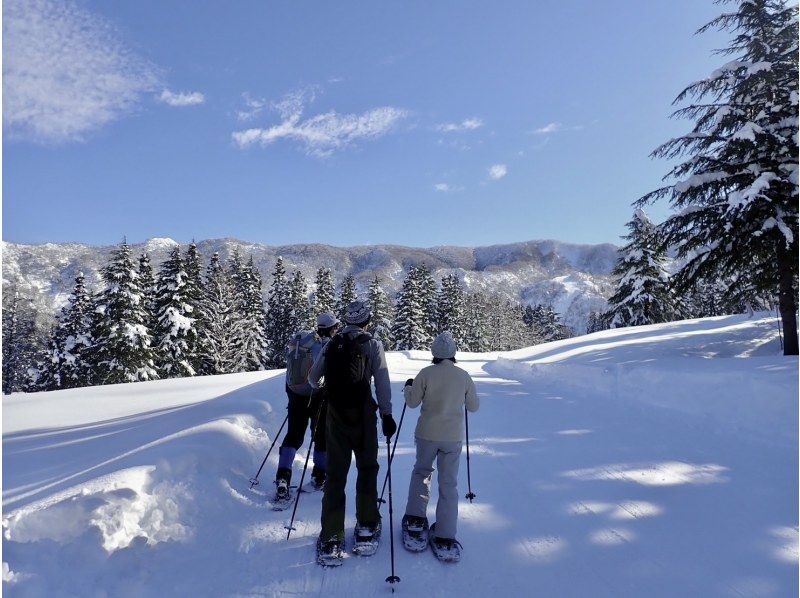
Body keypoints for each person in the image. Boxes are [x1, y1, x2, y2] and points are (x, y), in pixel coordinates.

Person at [308, 300, 396, 563]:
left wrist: (328, 385)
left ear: (345, 322)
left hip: (335, 416)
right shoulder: (372, 344)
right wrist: (387, 414)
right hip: (364, 416)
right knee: (367, 468)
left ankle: (332, 535)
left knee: (336, 474)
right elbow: (382, 382)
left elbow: (313, 379)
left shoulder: (331, 344)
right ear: (367, 321)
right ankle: (367, 525)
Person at [401, 331, 479, 562]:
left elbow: (412, 403)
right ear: (453, 353)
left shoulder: (425, 374)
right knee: (449, 483)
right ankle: (445, 533)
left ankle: (415, 519)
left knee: (422, 473)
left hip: (427, 434)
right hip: (452, 438)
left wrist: (408, 387)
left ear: (434, 353)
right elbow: (473, 407)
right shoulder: (463, 376)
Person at [273, 312, 340, 503]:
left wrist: (293, 395)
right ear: (331, 328)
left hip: (295, 394)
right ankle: (319, 476)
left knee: (293, 435)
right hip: (317, 396)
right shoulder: (328, 346)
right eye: (336, 327)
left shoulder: (303, 341)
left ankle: (283, 478)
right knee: (320, 436)